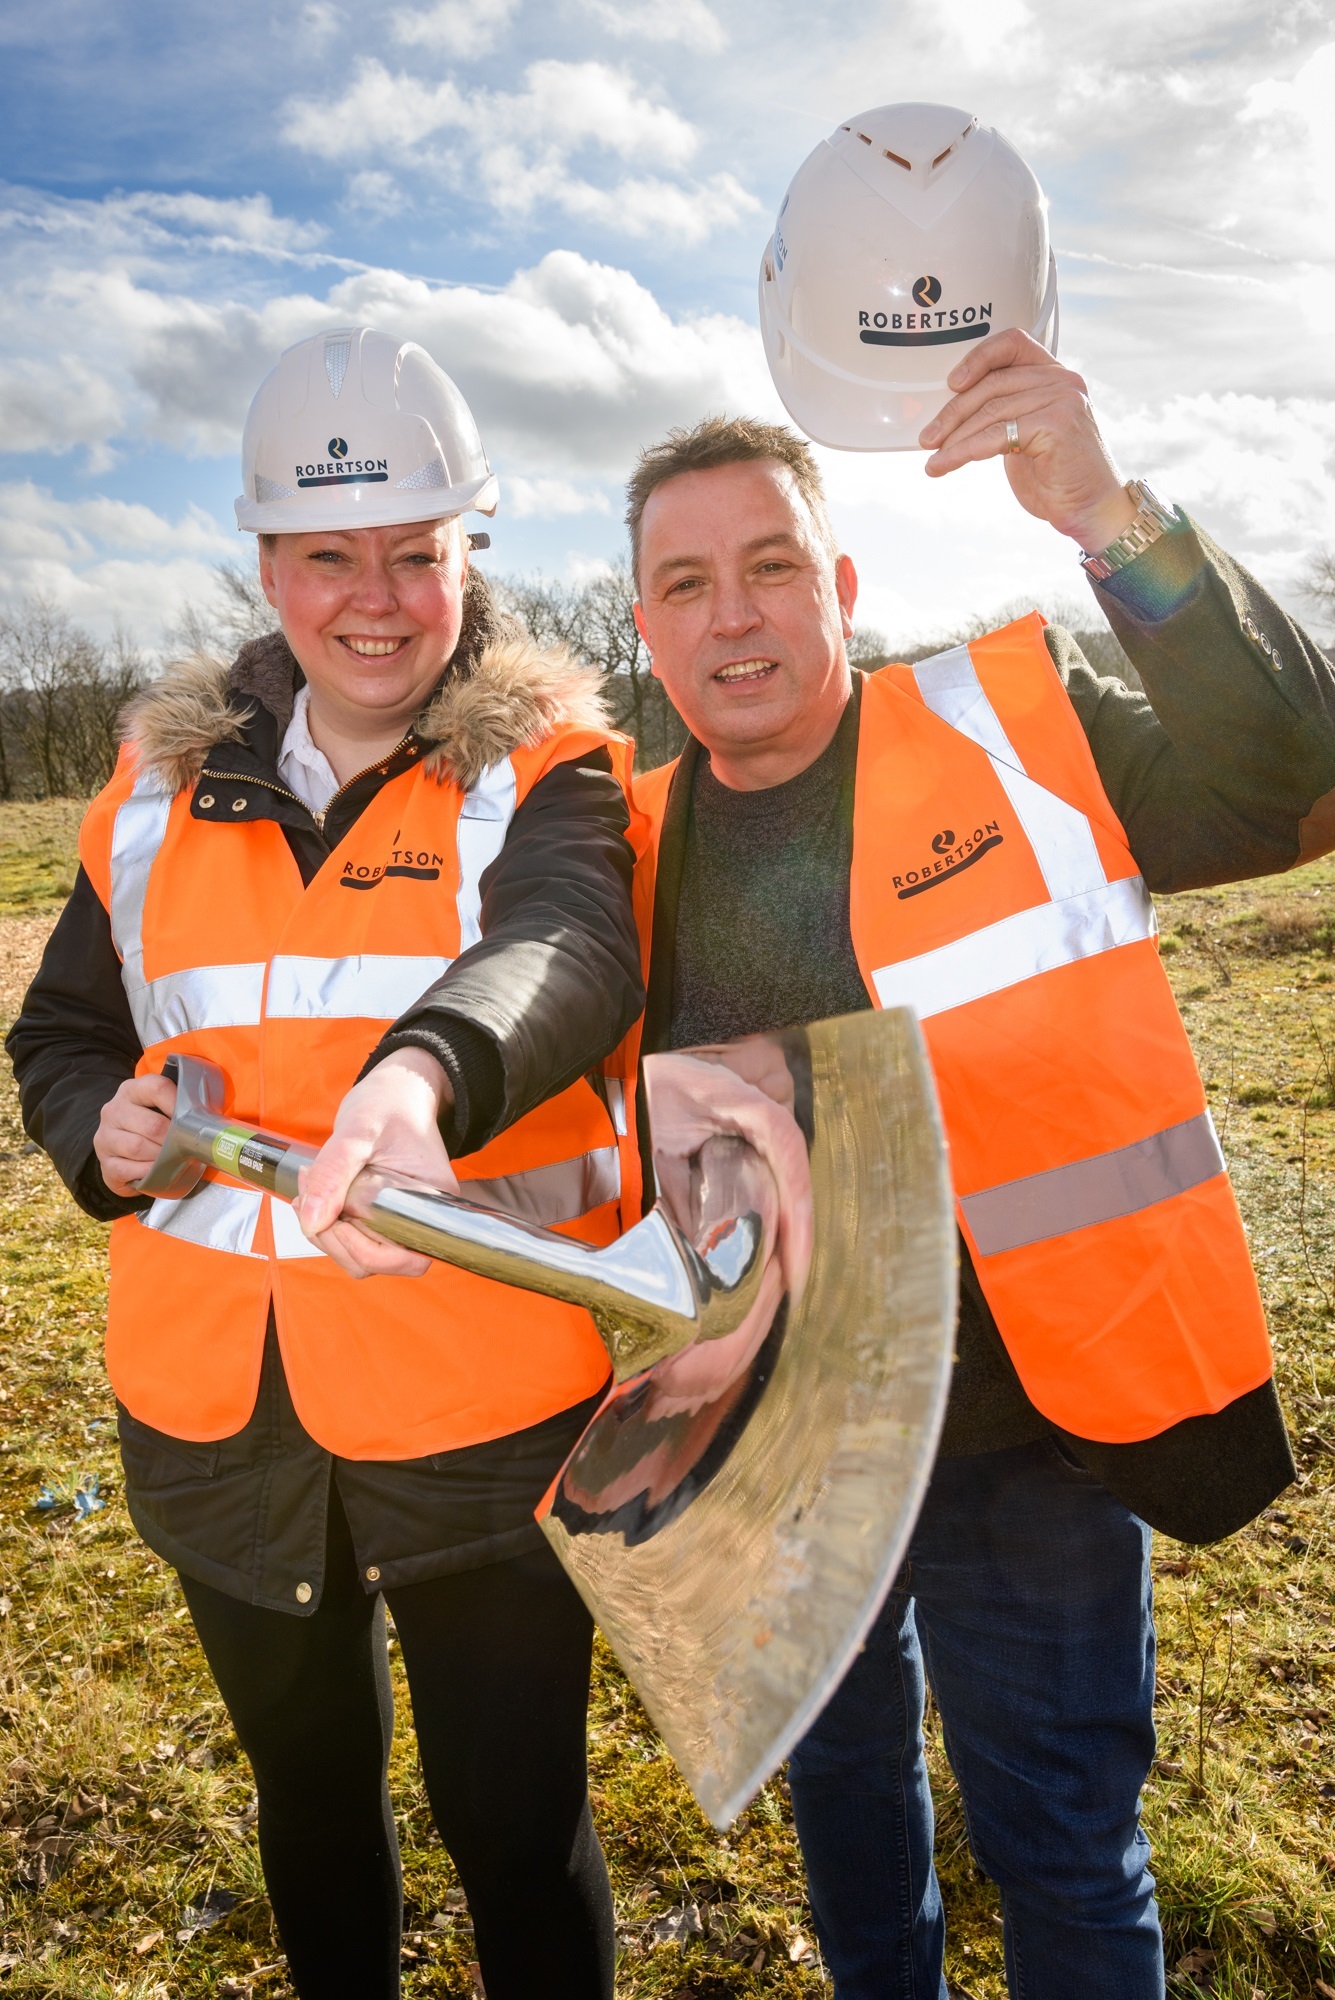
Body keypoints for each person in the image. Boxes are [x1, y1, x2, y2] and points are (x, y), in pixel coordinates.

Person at [348, 328, 1335, 1999]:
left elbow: (1294, 778)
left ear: (841, 581)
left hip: (1038, 1429)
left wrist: (1103, 511)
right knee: (849, 1825)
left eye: (771, 565)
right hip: (772, 1429)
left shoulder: (1020, 727)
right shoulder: (628, 848)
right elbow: (583, 1126)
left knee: (1064, 1850)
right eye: (686, 584)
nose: (733, 614)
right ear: (642, 627)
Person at [6, 325, 646, 2000]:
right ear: (267, 563)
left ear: (468, 555)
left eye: (417, 555)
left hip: (477, 1406)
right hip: (220, 1411)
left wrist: (429, 1073)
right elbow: (63, 1038)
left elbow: (572, 948)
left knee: (515, 1825)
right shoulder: (150, 790)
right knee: (309, 1801)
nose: (377, 599)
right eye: (328, 556)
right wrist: (103, 1132)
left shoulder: (546, 769)